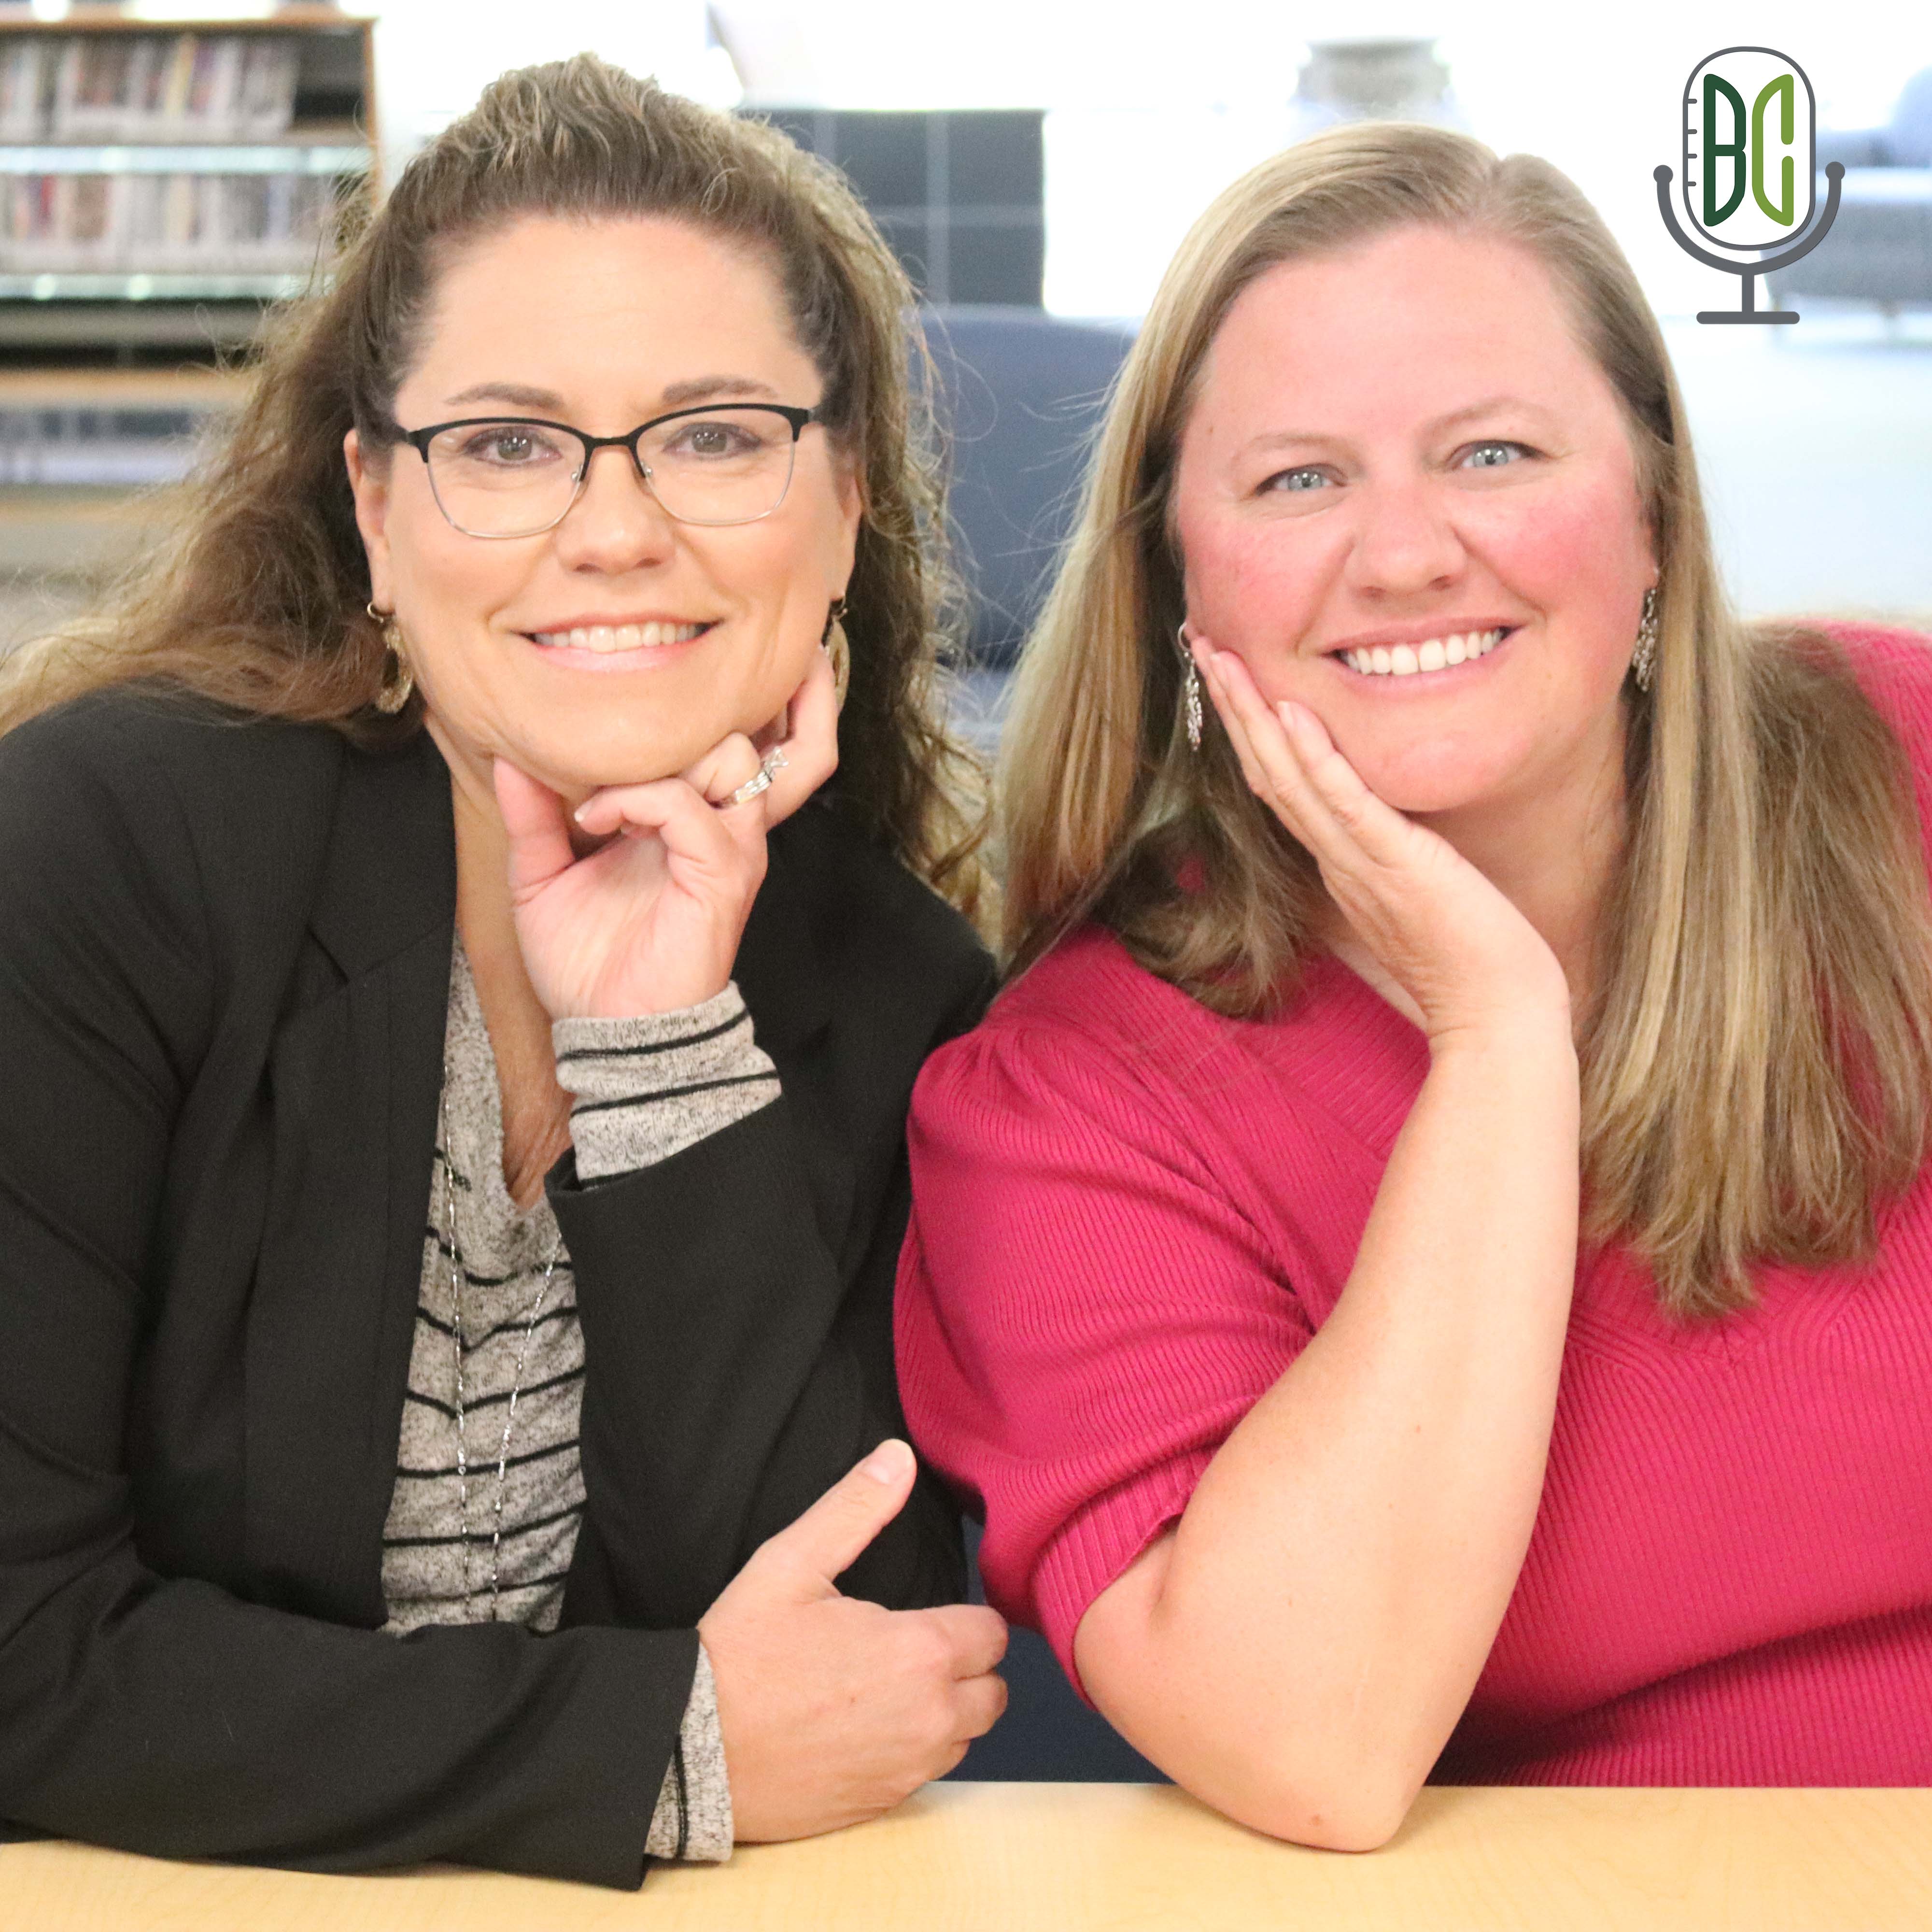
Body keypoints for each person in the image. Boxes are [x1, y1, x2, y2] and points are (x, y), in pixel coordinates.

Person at [0, 57, 1007, 1887]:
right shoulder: (99, 852)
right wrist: (648, 1746)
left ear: (845, 497)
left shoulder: (910, 990)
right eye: (508, 444)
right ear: (375, 509)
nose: (614, 528)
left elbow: (850, 1669)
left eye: (712, 433)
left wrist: (656, 1040)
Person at [896, 121, 1932, 1848]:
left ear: (1654, 514)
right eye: (1298, 480)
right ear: (1178, 579)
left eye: (1494, 452)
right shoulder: (1072, 1095)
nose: (1403, 556)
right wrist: (1497, 1034)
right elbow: (1301, 1738)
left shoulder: (1898, 770)